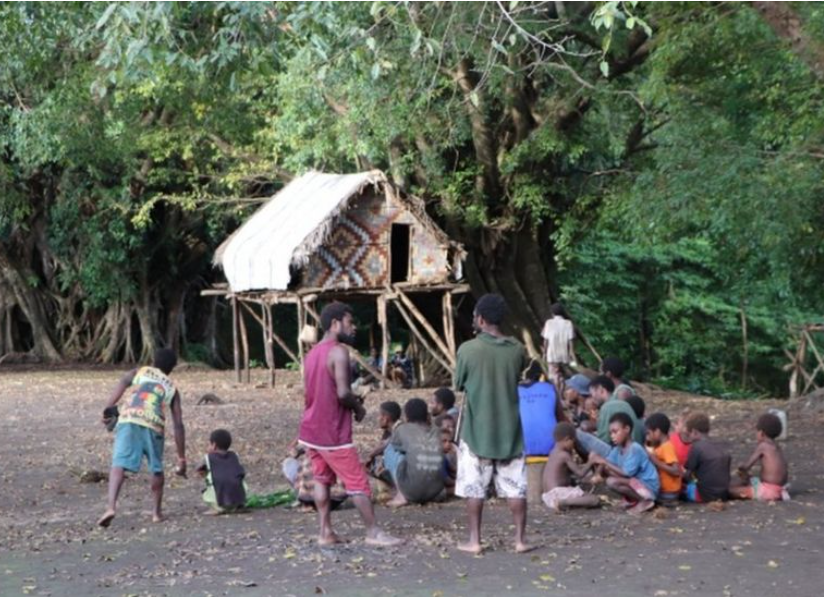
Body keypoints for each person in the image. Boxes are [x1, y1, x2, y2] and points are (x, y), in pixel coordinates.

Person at [297, 301, 402, 547]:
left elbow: (315, 391)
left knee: (322, 479)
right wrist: (358, 407)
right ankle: (373, 532)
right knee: (357, 481)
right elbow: (343, 392)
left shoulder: (312, 354)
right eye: (349, 322)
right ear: (335, 324)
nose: (353, 328)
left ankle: (325, 532)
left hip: (311, 429)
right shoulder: (338, 351)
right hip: (332, 431)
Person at [454, 293, 532, 554]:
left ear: (481, 319)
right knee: (515, 489)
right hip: (510, 430)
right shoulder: (517, 350)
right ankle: (520, 540)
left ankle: (475, 540)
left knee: (474, 488)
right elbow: (520, 374)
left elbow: (459, 384)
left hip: (477, 431)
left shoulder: (467, 350)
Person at [98, 348, 186, 527]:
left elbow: (123, 382)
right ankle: (156, 513)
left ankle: (111, 507)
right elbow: (178, 425)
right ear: (172, 368)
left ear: (153, 361)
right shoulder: (172, 387)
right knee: (156, 468)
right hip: (154, 425)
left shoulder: (139, 372)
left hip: (129, 418)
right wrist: (181, 457)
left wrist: (108, 408)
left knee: (118, 464)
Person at [589, 413, 660, 514]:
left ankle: (645, 500)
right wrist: (598, 473)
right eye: (611, 433)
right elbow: (606, 462)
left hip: (648, 487)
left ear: (627, 429)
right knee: (607, 469)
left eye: (615, 432)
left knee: (611, 481)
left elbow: (626, 473)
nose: (612, 436)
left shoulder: (635, 449)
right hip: (636, 483)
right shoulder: (618, 449)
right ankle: (633, 499)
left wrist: (603, 461)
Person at [518, 360, 566, 503]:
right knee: (566, 430)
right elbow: (561, 419)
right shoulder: (550, 388)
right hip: (550, 451)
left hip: (520, 451)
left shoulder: (513, 389)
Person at [383, 398, 446, 507]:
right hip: (436, 491)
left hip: (412, 491)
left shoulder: (403, 429)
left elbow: (395, 446)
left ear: (406, 417)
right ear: (426, 415)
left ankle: (401, 495)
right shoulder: (437, 431)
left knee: (390, 449)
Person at [729, 413, 790, 502]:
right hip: (780, 489)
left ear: (761, 433)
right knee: (749, 479)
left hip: (768, 491)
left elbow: (747, 466)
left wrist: (741, 468)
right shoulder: (777, 447)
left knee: (730, 490)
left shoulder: (763, 446)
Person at [542, 422, 600, 512]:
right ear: (567, 439)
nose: (573, 446)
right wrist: (591, 461)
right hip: (558, 494)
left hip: (548, 496)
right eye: (573, 442)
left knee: (579, 492)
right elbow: (580, 473)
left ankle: (566, 503)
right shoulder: (564, 455)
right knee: (594, 500)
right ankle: (563, 503)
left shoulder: (553, 452)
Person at [282, 439, 347, 511]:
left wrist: (297, 440)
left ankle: (307, 502)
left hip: (312, 498)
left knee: (288, 462)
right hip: (338, 497)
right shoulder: (340, 435)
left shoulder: (310, 435)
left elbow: (291, 453)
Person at [682, 413, 731, 503]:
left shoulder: (697, 447)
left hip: (703, 496)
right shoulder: (720, 446)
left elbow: (687, 471)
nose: (689, 438)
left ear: (694, 432)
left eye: (689, 434)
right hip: (723, 494)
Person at [197, 429, 247, 514]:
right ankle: (237, 506)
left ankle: (217, 508)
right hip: (238, 499)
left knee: (209, 481)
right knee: (239, 481)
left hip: (219, 499)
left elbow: (199, 470)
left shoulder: (208, 458)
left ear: (214, 445)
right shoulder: (234, 456)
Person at [590, 375, 645, 445]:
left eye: (592, 394)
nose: (592, 398)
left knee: (580, 434)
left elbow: (603, 439)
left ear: (601, 390)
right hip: (633, 444)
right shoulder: (621, 403)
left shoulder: (607, 407)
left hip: (624, 450)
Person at [644, 413, 682, 505]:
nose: (647, 437)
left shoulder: (667, 447)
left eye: (649, 433)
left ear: (657, 432)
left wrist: (655, 461)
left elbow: (676, 471)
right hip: (668, 492)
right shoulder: (660, 446)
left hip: (668, 493)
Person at [363, 401, 402, 479]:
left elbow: (387, 443)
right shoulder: (389, 431)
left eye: (379, 415)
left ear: (385, 418)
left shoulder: (401, 428)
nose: (378, 418)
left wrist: (371, 455)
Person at [541, 303, 575, 390]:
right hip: (564, 355)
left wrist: (544, 353)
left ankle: (556, 396)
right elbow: (570, 342)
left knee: (552, 376)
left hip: (552, 355)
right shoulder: (568, 323)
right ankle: (562, 393)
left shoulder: (549, 323)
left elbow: (546, 341)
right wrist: (572, 355)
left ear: (552, 313)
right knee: (562, 376)